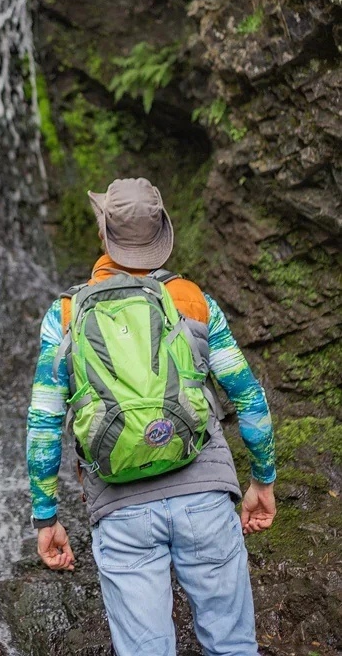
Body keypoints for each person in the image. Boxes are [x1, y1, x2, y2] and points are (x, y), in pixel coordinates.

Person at [27, 177, 276, 656]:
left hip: (121, 510)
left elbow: (43, 427)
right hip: (204, 495)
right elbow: (249, 398)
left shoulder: (65, 314)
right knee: (233, 645)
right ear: (162, 234)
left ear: (103, 234)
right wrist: (262, 481)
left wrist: (46, 517)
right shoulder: (192, 299)